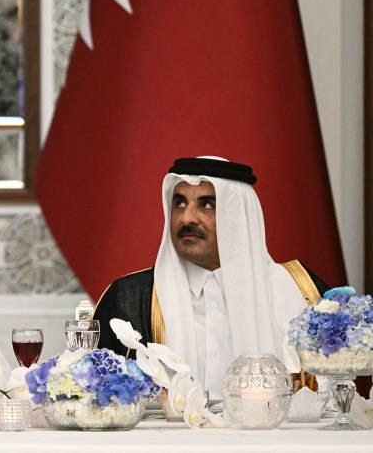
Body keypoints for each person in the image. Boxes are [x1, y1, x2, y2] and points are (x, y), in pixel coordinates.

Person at [94, 156, 328, 398]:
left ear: (238, 217)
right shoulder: (127, 299)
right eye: (180, 204)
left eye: (207, 205)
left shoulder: (299, 292)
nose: (187, 218)